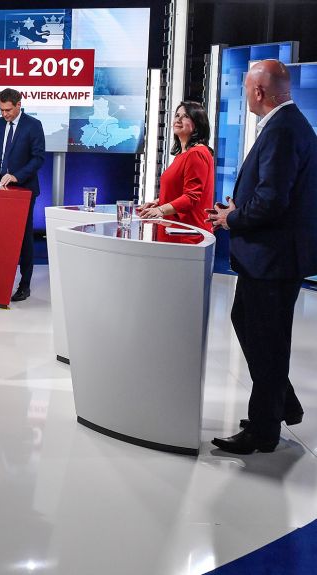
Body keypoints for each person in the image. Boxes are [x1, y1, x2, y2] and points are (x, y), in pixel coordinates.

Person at [207, 59, 317, 455]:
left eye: (246, 88)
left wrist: (233, 218)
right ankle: (280, 403)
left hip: (274, 258)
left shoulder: (284, 130)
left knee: (267, 341)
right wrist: (236, 209)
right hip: (273, 256)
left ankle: (264, 430)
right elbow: (272, 193)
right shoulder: (289, 125)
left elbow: (272, 200)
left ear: (258, 92)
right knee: (253, 327)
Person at [0, 88, 45, 302]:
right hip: (0, 190)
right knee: (0, 237)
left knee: (23, 239)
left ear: (18, 105)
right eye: (1, 110)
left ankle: (24, 285)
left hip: (24, 190)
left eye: (8, 110)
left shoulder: (34, 125)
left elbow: (38, 158)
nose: (5, 114)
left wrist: (16, 176)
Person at [137, 101, 214, 235]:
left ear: (198, 123)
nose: (178, 119)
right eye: (177, 115)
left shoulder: (196, 153)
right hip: (173, 230)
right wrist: (158, 203)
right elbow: (178, 192)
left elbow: (191, 197)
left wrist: (161, 210)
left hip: (185, 234)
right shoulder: (183, 155)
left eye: (185, 116)